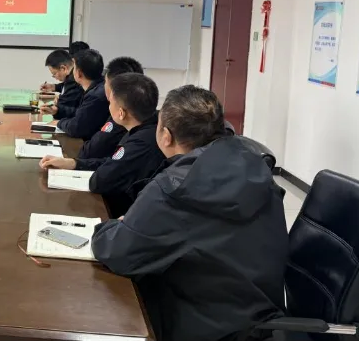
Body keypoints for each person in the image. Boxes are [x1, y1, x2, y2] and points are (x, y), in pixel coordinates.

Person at [93, 85, 288, 342]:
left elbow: (117, 252)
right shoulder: (255, 166)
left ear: (166, 136)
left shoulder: (174, 187)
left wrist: (111, 227)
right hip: (254, 316)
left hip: (198, 323)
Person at [40, 73, 164, 217]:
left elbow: (99, 181)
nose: (108, 106)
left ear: (121, 113)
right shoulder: (148, 127)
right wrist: (74, 163)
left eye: (110, 102)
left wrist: (79, 165)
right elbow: (113, 163)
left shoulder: (141, 142)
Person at [78, 57, 145, 160]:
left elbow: (90, 151)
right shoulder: (143, 112)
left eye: (105, 82)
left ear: (113, 89)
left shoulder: (120, 115)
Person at [50, 49, 110, 140]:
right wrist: (58, 111)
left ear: (79, 73)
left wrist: (59, 123)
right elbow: (81, 113)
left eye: (74, 68)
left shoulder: (95, 96)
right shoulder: (98, 87)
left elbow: (76, 128)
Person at [38, 49, 82, 118]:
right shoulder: (71, 78)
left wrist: (58, 102)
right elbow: (66, 86)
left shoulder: (74, 80)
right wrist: (53, 87)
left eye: (54, 74)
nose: (54, 77)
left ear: (63, 68)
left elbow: (61, 106)